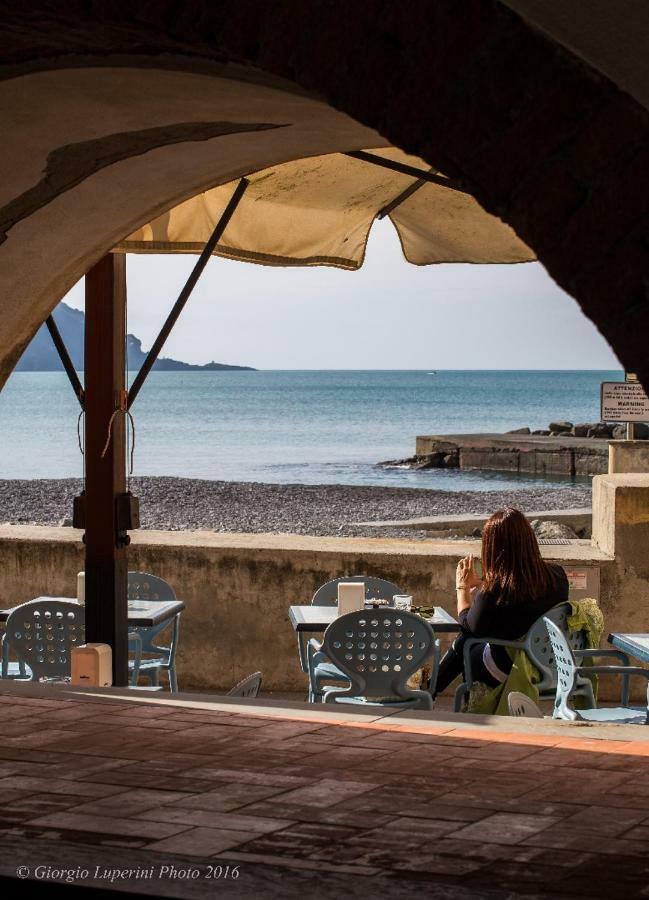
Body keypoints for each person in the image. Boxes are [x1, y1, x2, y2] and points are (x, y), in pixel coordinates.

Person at [434, 507, 569, 696]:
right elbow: (524, 596)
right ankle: (430, 688)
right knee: (471, 640)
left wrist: (462, 588)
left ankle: (431, 690)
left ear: (493, 547)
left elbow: (470, 626)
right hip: (549, 666)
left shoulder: (495, 590)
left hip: (510, 669)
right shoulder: (558, 576)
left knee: (467, 641)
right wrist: (483, 586)